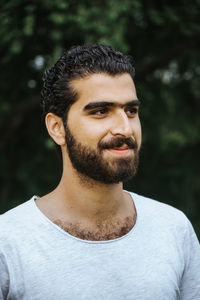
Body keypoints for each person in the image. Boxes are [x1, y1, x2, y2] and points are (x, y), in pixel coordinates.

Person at [0, 44, 200, 300]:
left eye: (131, 111)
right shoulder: (8, 242)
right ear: (57, 128)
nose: (125, 129)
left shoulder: (174, 229)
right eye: (101, 111)